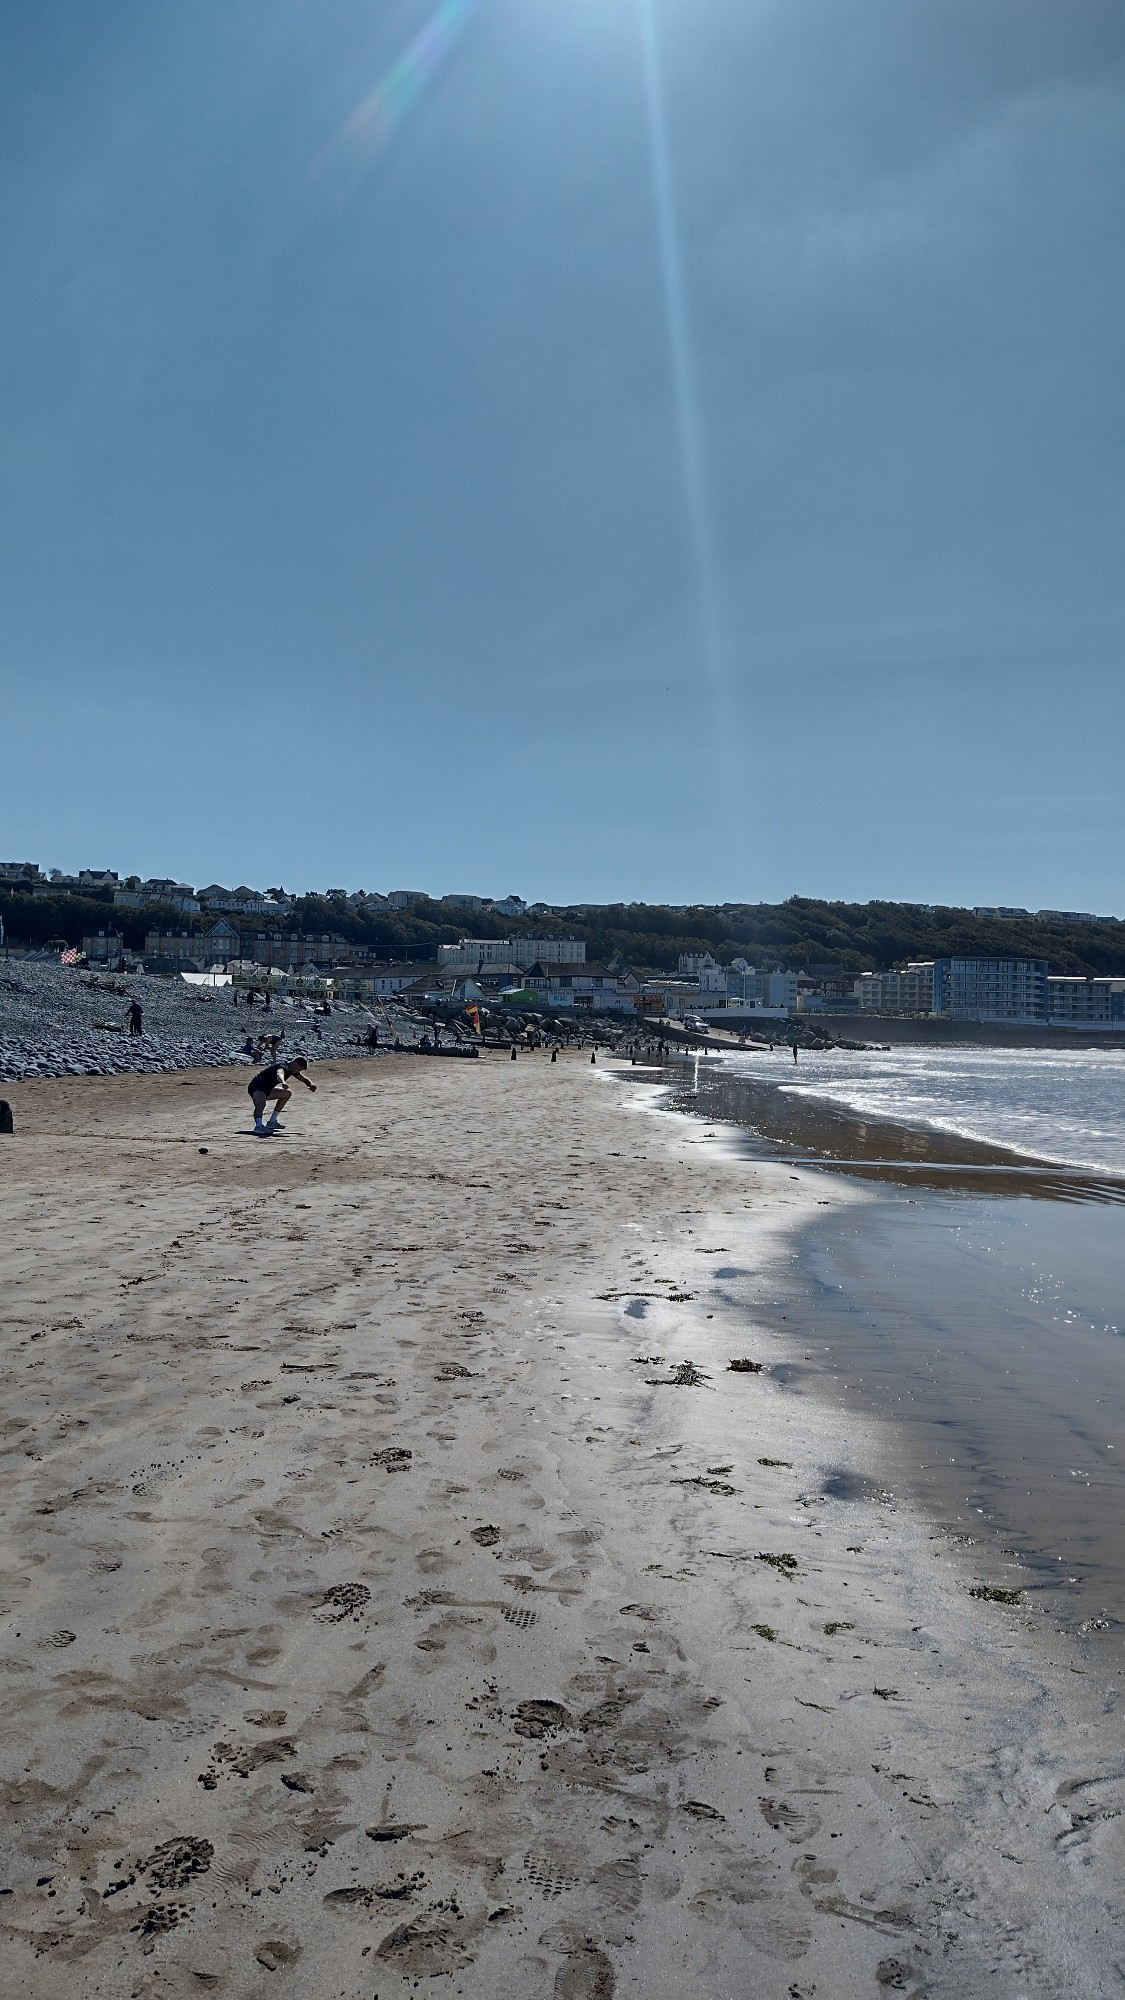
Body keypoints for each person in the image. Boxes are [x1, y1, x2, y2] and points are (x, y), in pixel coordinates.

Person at [247, 1056, 316, 1136]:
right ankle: (258, 1127)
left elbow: (304, 1079)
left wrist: (311, 1084)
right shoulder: (283, 1067)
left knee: (287, 1093)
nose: (299, 1071)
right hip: (256, 1088)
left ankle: (272, 1122)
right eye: (299, 1069)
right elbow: (279, 1074)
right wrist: (283, 1082)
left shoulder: (291, 1070)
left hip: (267, 1090)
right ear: (296, 1063)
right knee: (261, 1104)